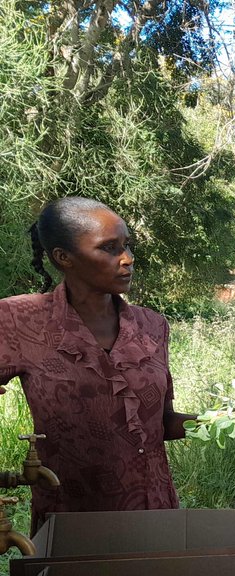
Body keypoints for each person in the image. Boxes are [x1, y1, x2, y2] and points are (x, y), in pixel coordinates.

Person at [0, 197, 194, 531]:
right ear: (63, 258)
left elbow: (160, 424)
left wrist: (222, 422)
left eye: (127, 246)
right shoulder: (20, 320)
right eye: (109, 248)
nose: (127, 259)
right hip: (71, 517)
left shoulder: (151, 326)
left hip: (153, 512)